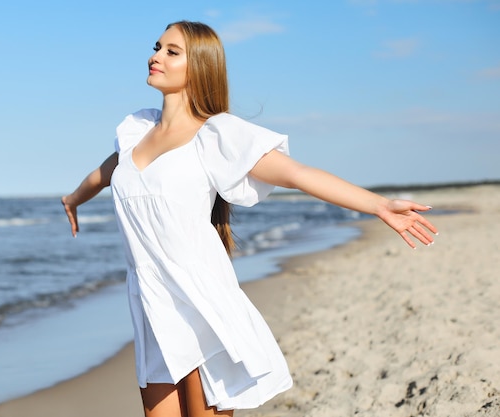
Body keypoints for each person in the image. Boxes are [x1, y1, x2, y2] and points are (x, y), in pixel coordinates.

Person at [61, 20, 438, 417]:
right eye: (157, 47)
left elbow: (298, 174)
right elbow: (105, 174)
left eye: (172, 51)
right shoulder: (137, 132)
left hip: (200, 298)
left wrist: (377, 205)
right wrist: (73, 199)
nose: (155, 56)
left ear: (200, 67)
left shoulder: (215, 135)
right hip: (150, 297)